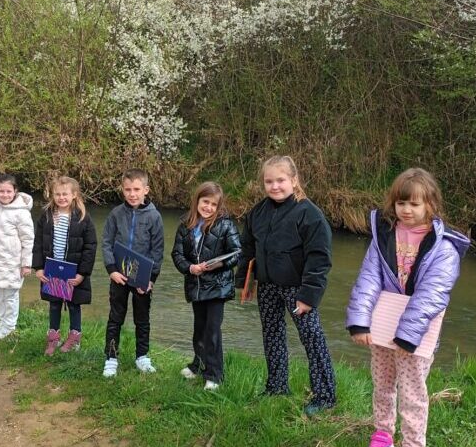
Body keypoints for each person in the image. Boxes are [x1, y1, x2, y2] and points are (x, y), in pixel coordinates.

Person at [346, 168, 469, 447]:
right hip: (383, 326)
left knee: (413, 393)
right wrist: (360, 322)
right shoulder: (384, 234)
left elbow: (432, 295)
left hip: (415, 333)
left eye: (415, 204)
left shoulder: (444, 247)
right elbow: (369, 279)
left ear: (431, 204)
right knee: (382, 383)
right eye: (401, 202)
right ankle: (383, 433)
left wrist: (407, 335)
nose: (406, 210)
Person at [236, 155, 336, 416]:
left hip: (298, 289)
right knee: (272, 335)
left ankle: (325, 395)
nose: (275, 186)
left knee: (311, 338)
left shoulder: (310, 215)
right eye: (269, 181)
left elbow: (319, 259)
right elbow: (248, 249)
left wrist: (308, 296)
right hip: (267, 285)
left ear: (294, 180)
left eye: (280, 180)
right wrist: (244, 282)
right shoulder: (257, 213)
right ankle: (277, 386)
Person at [171, 182, 241, 391]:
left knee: (212, 331)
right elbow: (177, 254)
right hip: (196, 285)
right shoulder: (185, 224)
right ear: (197, 201)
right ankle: (198, 365)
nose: (208, 207)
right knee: (199, 329)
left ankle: (215, 375)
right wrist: (190, 268)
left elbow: (237, 253)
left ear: (218, 207)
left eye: (213, 204)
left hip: (218, 287)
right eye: (205, 202)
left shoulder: (226, 225)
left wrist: (217, 264)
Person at [101, 168, 165, 377]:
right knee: (115, 317)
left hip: (142, 279)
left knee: (142, 319)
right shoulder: (116, 214)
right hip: (119, 276)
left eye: (137, 189)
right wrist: (111, 269)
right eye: (128, 189)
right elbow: (107, 242)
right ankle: (111, 357)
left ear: (146, 189)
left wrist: (150, 279)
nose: (132, 194)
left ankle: (142, 356)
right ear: (122, 189)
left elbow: (157, 250)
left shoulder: (154, 216)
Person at [32, 176, 97, 355]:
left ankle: (74, 339)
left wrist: (82, 274)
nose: (61, 198)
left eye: (65, 194)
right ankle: (53, 338)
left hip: (73, 272)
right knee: (54, 305)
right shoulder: (46, 216)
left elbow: (90, 247)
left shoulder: (83, 218)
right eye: (57, 194)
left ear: (74, 195)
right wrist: (38, 268)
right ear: (52, 195)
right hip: (52, 270)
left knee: (74, 305)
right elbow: (37, 243)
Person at [0, 174, 34, 340]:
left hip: (12, 262)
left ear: (15, 191)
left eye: (8, 191)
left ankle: (9, 326)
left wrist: (26, 264)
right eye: (1, 191)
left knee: (10, 295)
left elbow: (28, 239)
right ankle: (3, 322)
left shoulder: (22, 213)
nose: (5, 194)